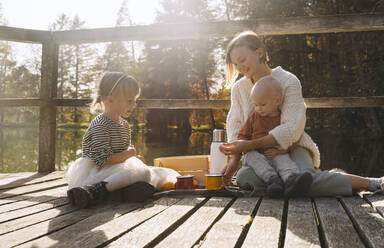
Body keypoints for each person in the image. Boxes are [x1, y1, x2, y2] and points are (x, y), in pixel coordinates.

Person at [219, 31, 383, 196]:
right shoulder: (239, 88)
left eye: (242, 60)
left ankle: (371, 183)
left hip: (294, 147)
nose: (240, 68)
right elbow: (236, 124)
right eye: (235, 64)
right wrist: (234, 160)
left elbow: (291, 129)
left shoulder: (289, 81)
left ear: (259, 52)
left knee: (300, 180)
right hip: (262, 156)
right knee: (245, 177)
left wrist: (249, 145)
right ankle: (321, 179)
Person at [66, 72, 180, 208]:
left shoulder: (124, 125)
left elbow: (123, 152)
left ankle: (118, 193)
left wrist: (135, 159)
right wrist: (129, 155)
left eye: (135, 101)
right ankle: (95, 190)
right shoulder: (101, 124)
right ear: (110, 100)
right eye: (130, 101)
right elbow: (102, 161)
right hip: (95, 173)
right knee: (142, 172)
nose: (134, 105)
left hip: (114, 169)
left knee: (160, 171)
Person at [231, 75, 312, 196]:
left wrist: (283, 151)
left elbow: (293, 137)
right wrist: (244, 147)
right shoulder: (254, 117)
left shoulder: (283, 118)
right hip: (256, 154)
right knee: (251, 157)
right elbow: (243, 135)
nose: (258, 108)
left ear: (277, 101)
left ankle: (291, 180)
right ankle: (273, 181)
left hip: (275, 152)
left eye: (262, 105)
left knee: (284, 162)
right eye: (255, 105)